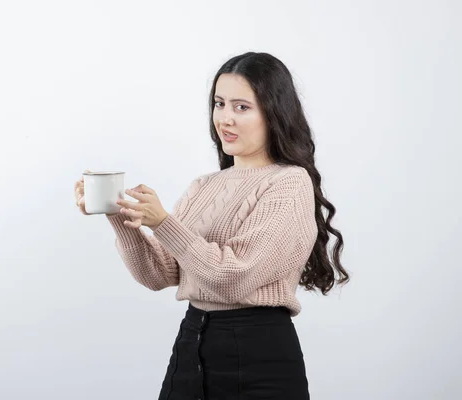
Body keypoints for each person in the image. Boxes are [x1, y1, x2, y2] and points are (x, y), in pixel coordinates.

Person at [74, 51, 349, 400]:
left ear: (274, 112)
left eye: (241, 107)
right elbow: (157, 274)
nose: (225, 119)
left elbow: (235, 277)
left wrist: (164, 222)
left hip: (258, 355)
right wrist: (119, 214)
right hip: (192, 344)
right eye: (219, 104)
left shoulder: (289, 183)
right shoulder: (203, 186)